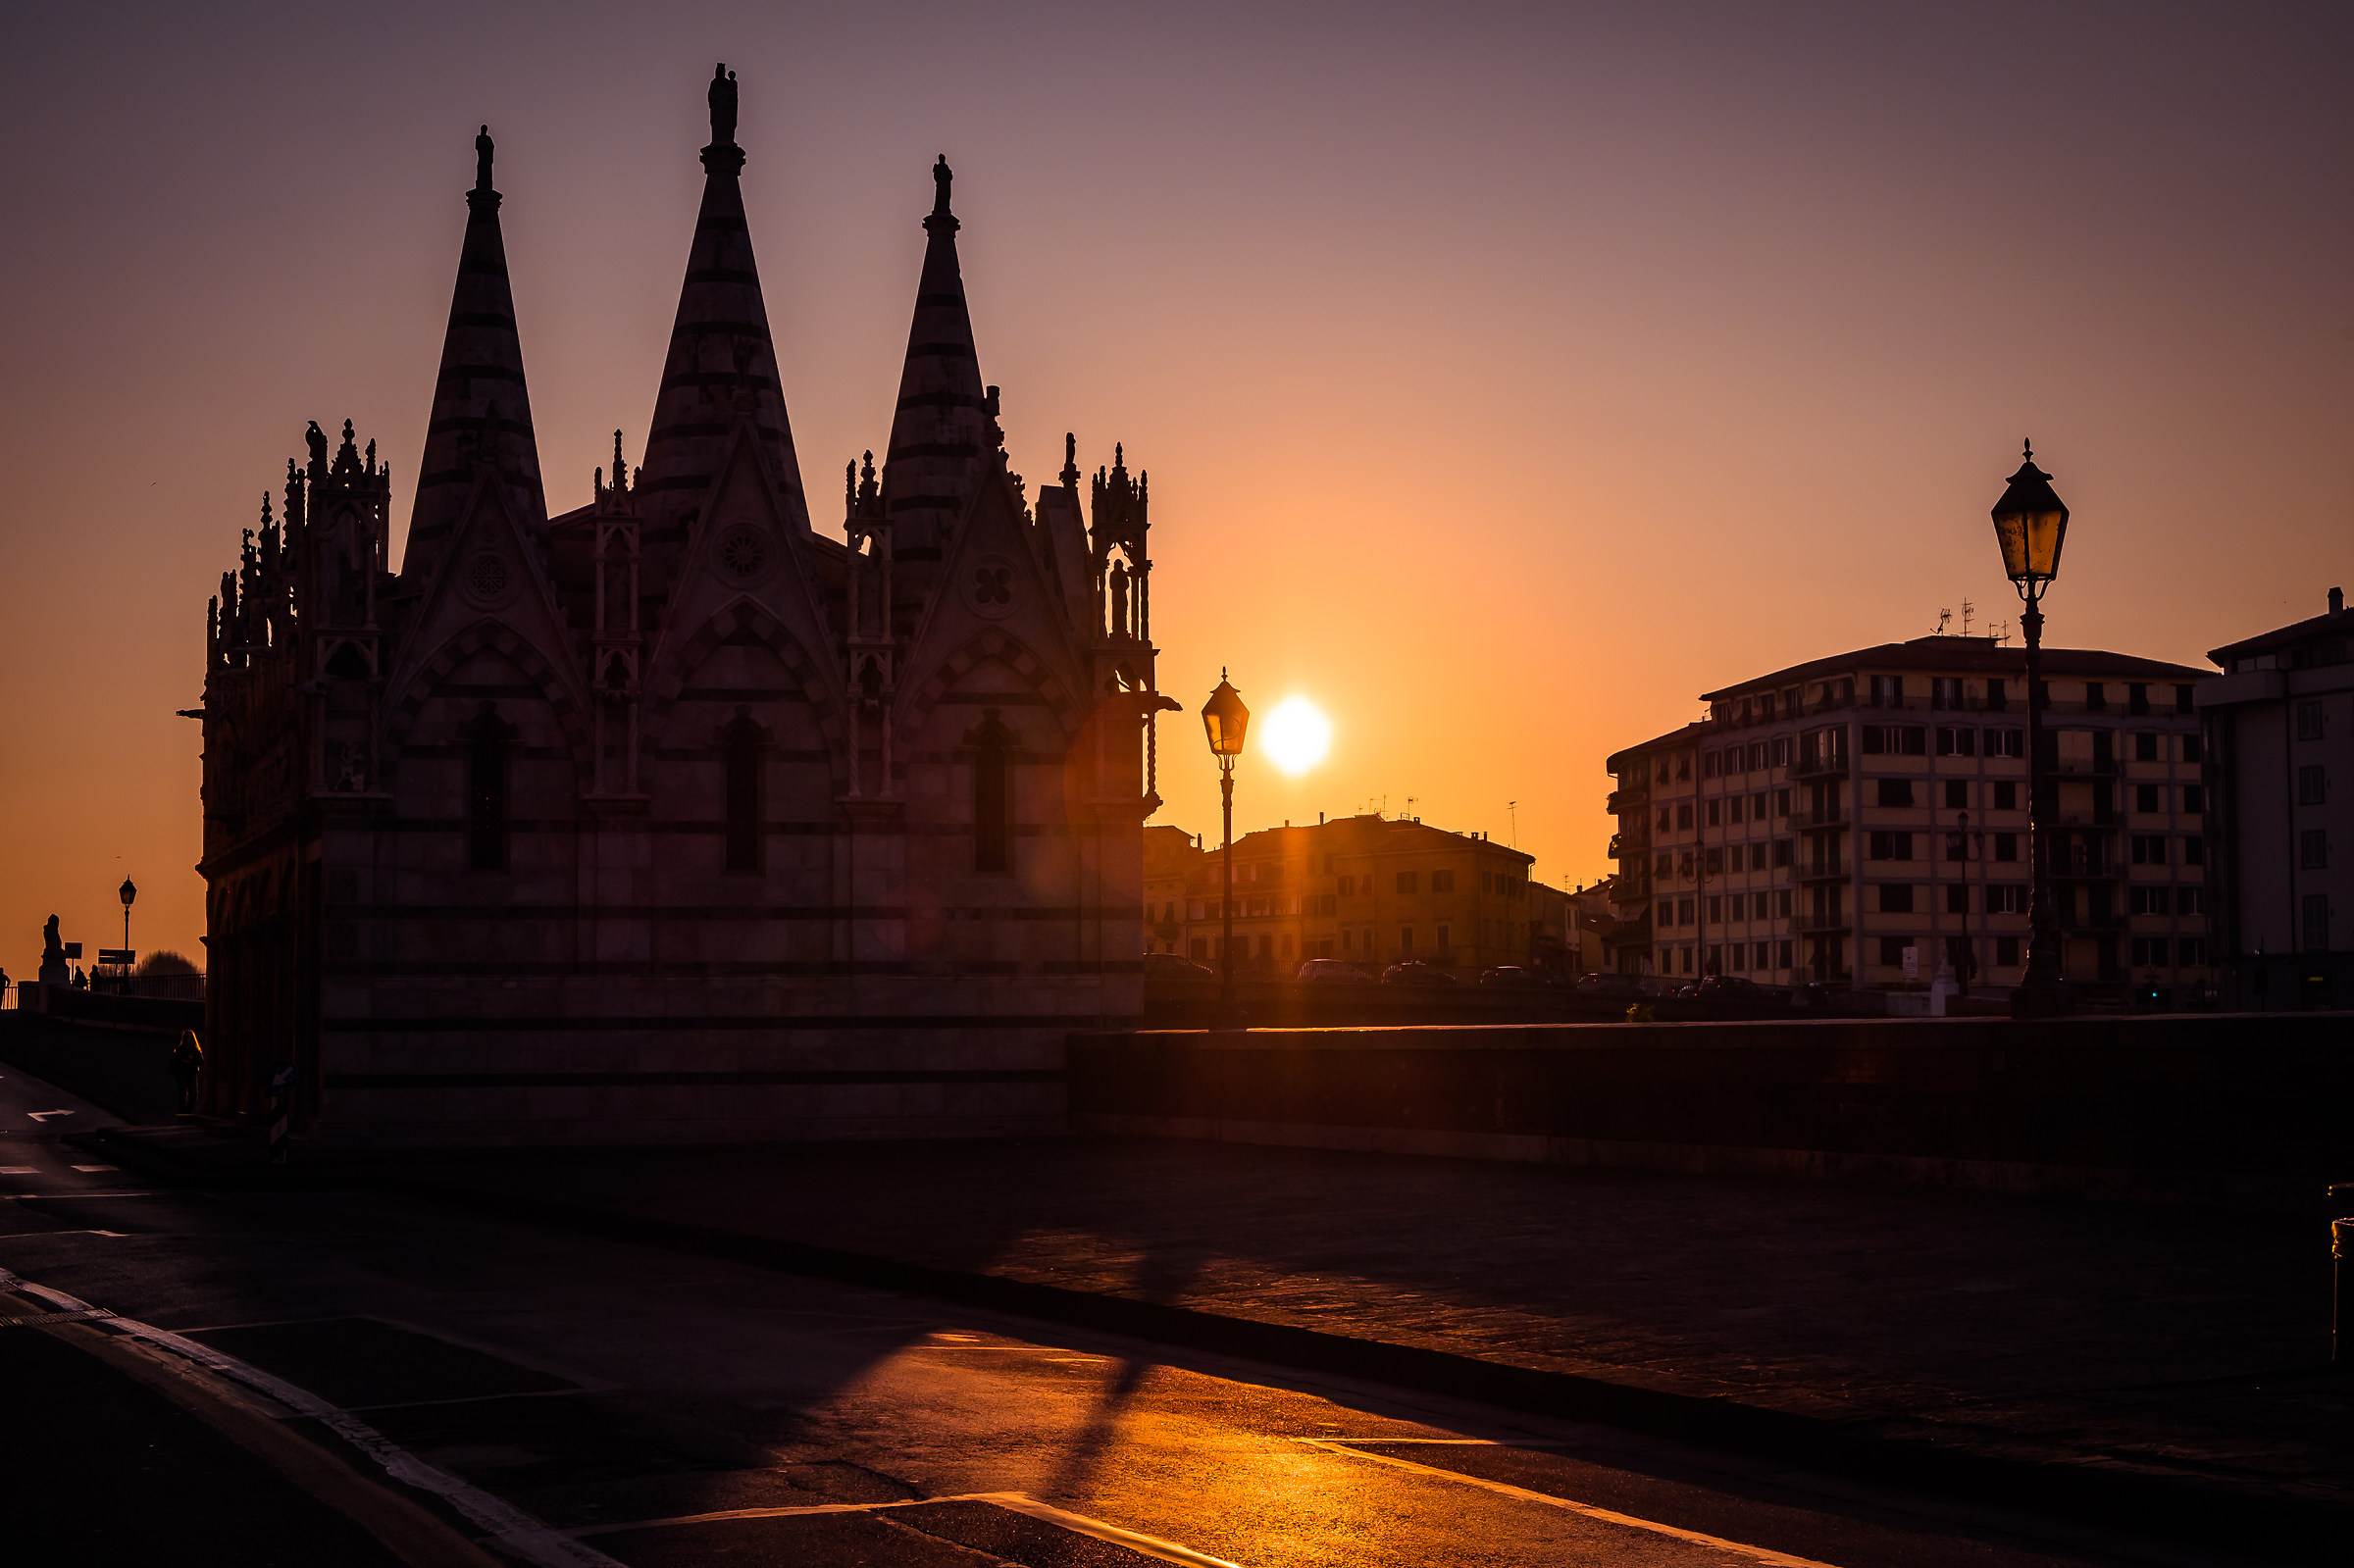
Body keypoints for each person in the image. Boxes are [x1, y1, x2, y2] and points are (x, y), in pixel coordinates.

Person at [170, 1031, 204, 1115]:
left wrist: (191, 1061)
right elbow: (175, 1060)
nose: (188, 1039)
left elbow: (201, 1061)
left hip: (192, 1074)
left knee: (194, 1094)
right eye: (187, 1037)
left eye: (190, 1037)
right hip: (181, 1074)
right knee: (183, 1094)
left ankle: (187, 1112)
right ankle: (183, 1113)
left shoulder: (195, 1050)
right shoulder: (179, 1049)